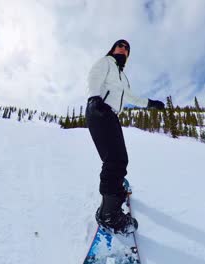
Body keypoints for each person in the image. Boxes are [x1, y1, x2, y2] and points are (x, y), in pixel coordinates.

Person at [85, 39, 165, 234]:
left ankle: (114, 194)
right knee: (115, 160)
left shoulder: (122, 77)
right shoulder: (106, 63)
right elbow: (93, 77)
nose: (123, 48)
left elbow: (131, 97)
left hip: (111, 115)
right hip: (99, 110)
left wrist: (150, 103)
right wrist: (94, 100)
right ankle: (108, 215)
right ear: (113, 49)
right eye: (120, 45)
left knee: (119, 159)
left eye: (127, 48)